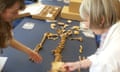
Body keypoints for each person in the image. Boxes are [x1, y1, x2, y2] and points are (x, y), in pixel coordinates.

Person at [63, 0, 120, 72]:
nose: (85, 25)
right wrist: (78, 64)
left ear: (101, 20)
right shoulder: (113, 30)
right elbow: (100, 56)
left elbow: (104, 61)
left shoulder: (108, 60)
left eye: (86, 20)